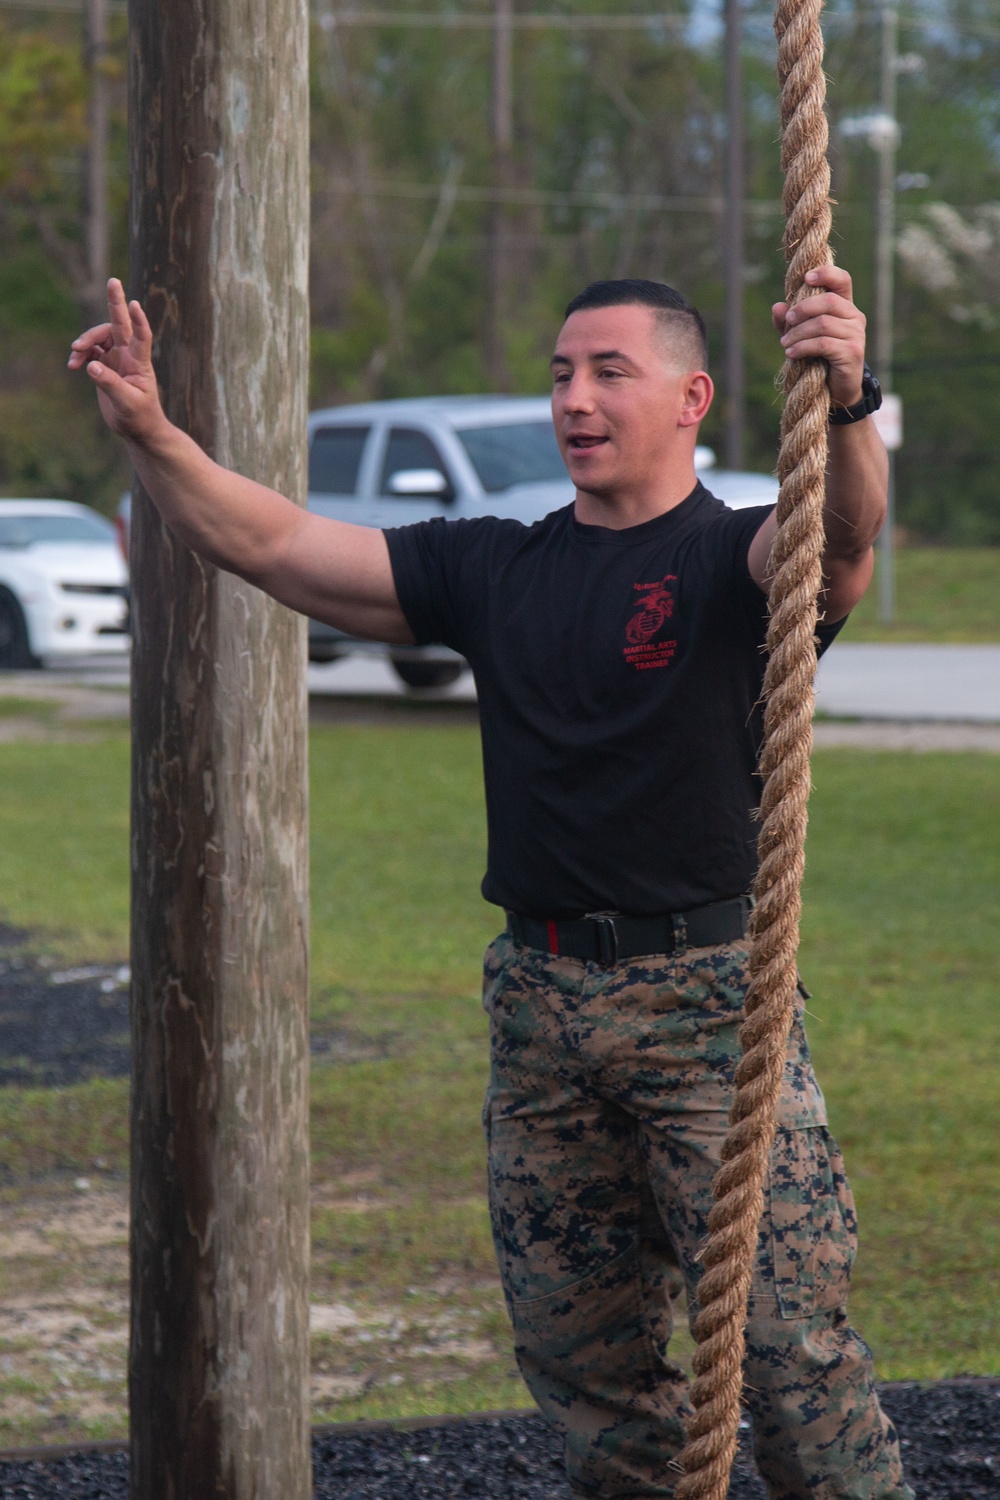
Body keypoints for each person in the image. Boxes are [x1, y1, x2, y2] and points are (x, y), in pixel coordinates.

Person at [70, 270, 912, 1500]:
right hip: (541, 1013)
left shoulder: (733, 560)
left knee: (792, 1366)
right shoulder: (495, 569)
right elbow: (268, 542)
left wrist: (847, 400)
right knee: (589, 1374)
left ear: (692, 398)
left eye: (608, 371)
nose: (574, 397)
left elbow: (838, 540)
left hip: (708, 1013)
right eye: (562, 373)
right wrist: (151, 434)